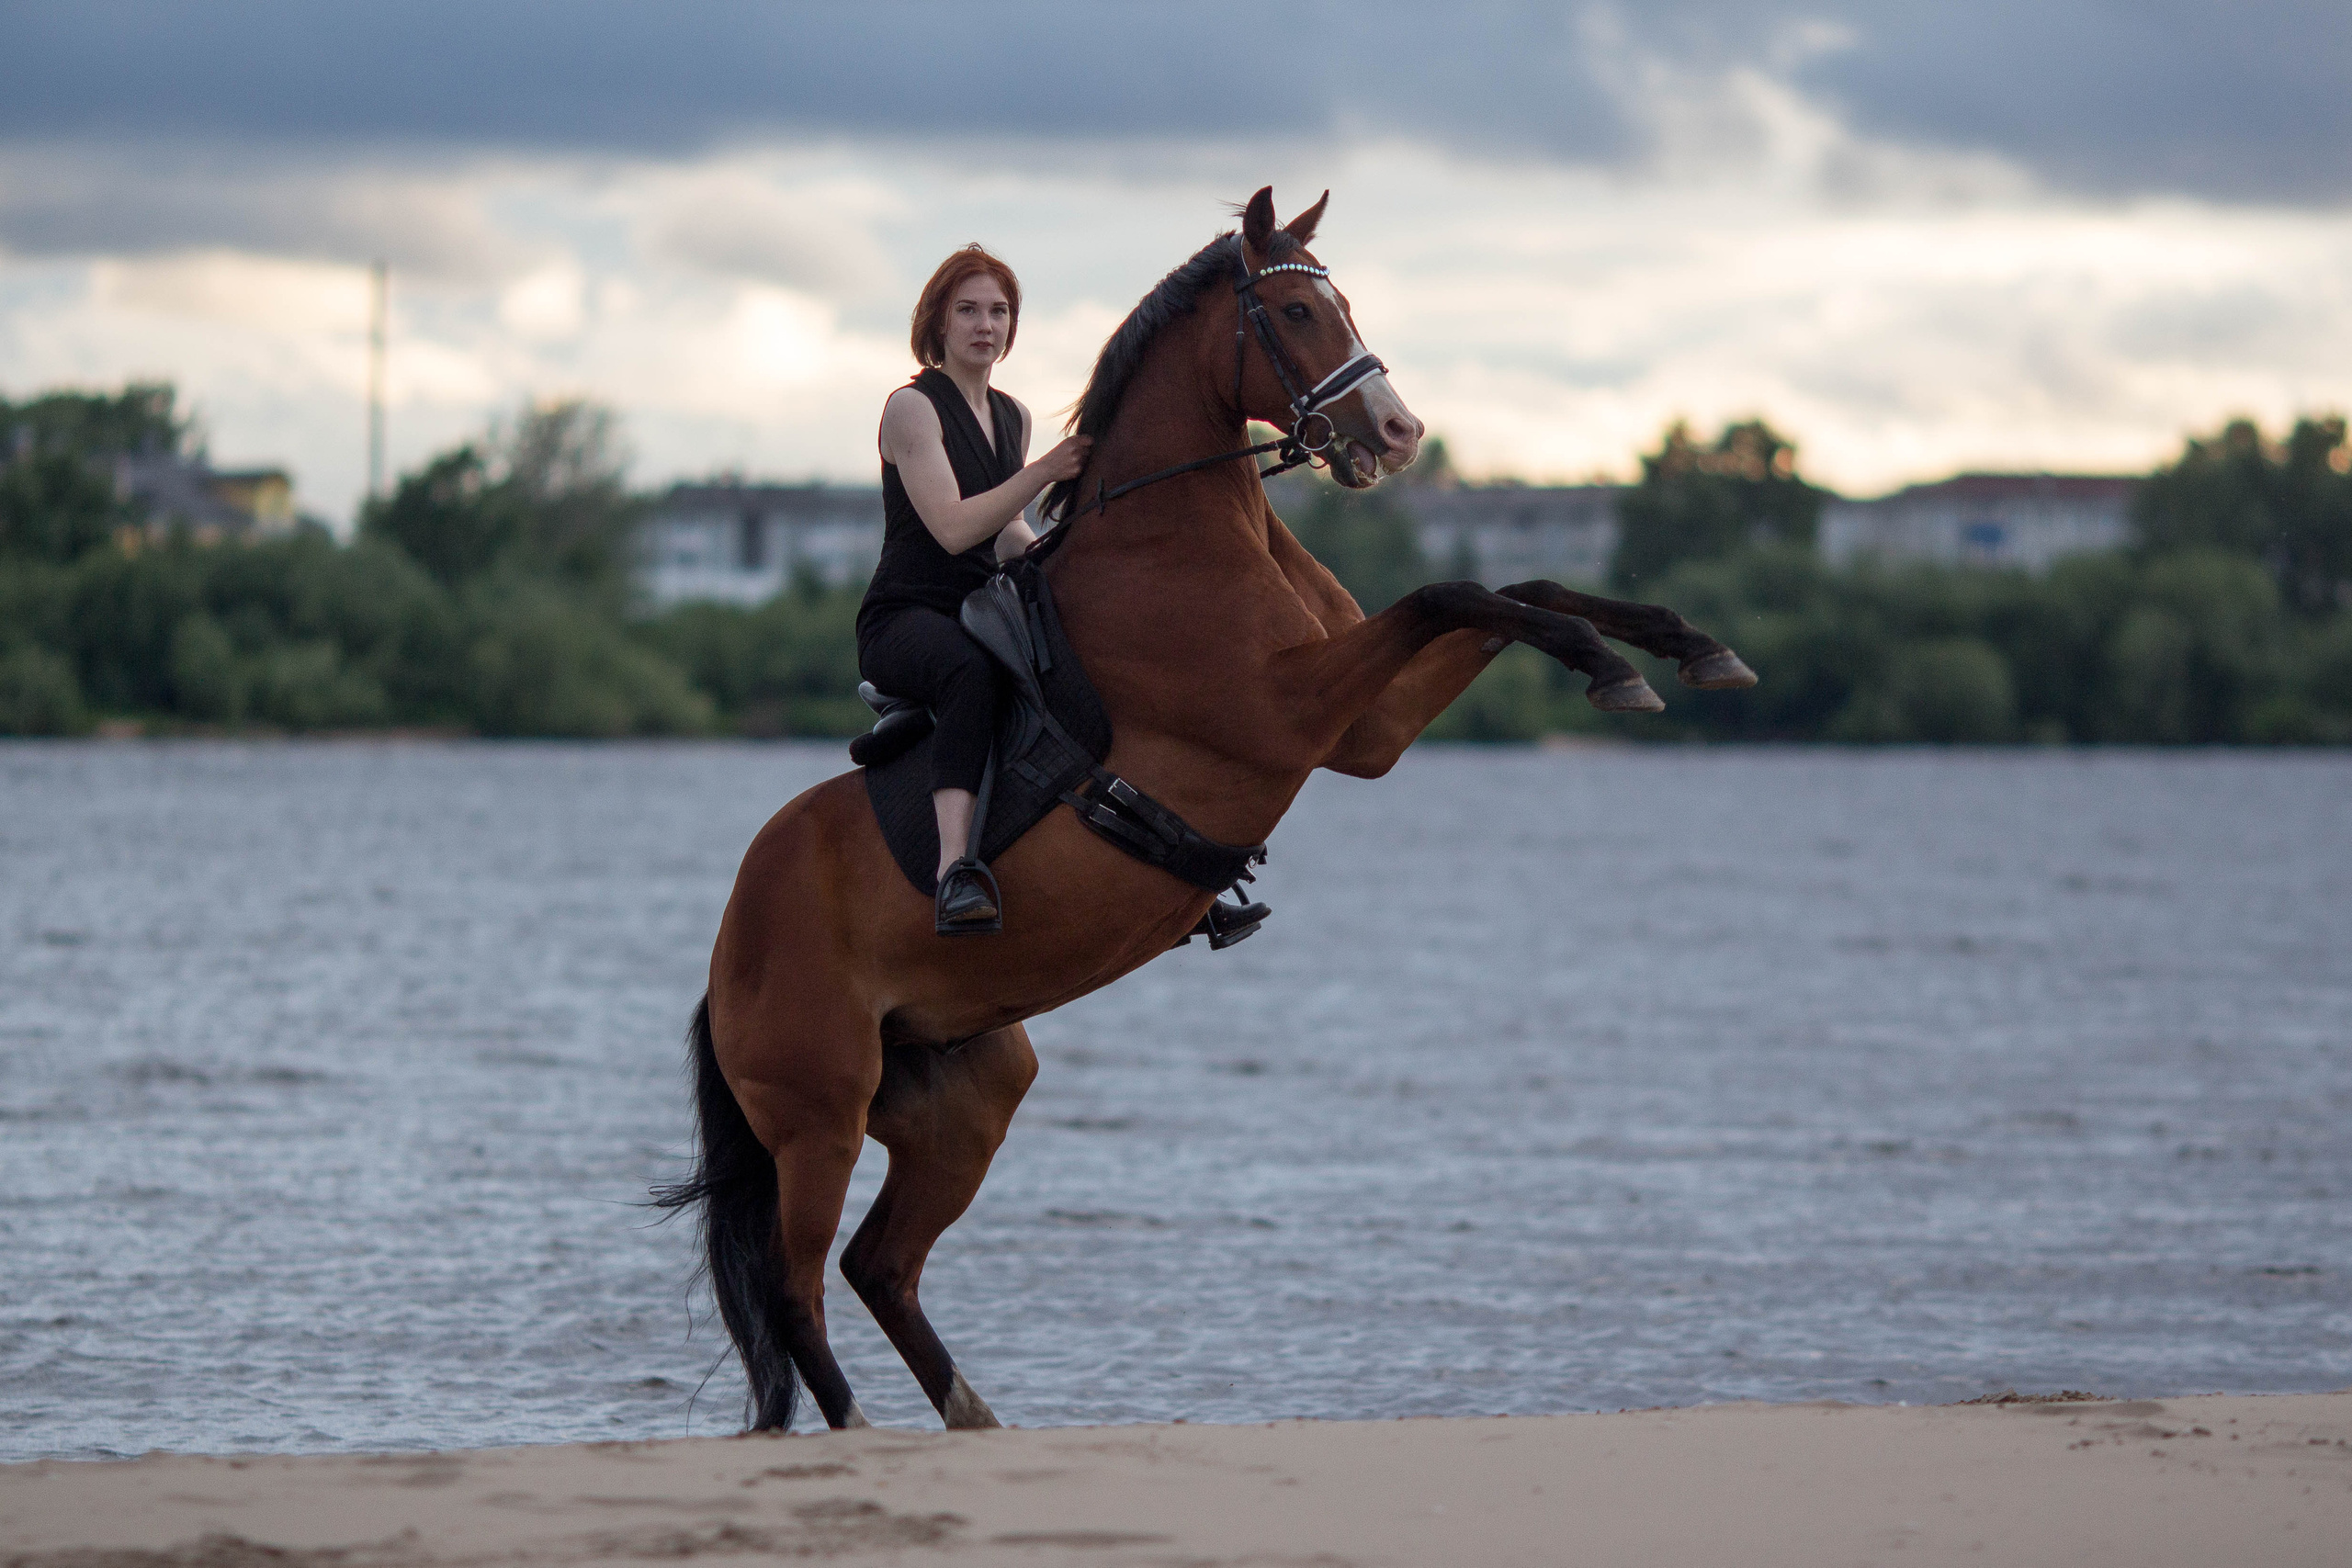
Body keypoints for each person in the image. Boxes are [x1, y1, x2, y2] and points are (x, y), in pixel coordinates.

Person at [857, 244, 1091, 935]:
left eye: (998, 311)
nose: (985, 325)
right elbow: (958, 529)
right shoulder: (911, 409)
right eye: (968, 310)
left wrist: (1062, 557)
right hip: (905, 619)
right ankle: (954, 868)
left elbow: (1009, 529)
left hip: (980, 609)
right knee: (968, 669)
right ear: (938, 321)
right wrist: (1046, 468)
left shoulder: (1011, 415)